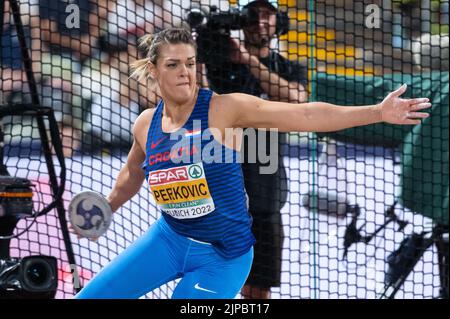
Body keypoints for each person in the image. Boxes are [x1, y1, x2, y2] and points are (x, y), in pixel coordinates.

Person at [73, 27, 430, 299]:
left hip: (223, 257)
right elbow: (132, 173)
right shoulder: (145, 123)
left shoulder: (224, 109)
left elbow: (306, 115)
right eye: (173, 64)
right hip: (168, 240)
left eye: (191, 63)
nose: (185, 72)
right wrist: (106, 206)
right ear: (153, 70)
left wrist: (377, 112)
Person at [200, 0, 308, 299]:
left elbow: (296, 100)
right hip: (221, 187)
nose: (259, 21)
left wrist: (248, 60)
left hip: (266, 190)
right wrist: (201, 51)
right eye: (252, 15)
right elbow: (196, 101)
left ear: (279, 22)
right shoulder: (218, 64)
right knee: (216, 279)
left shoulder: (289, 67)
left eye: (267, 15)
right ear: (240, 21)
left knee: (259, 288)